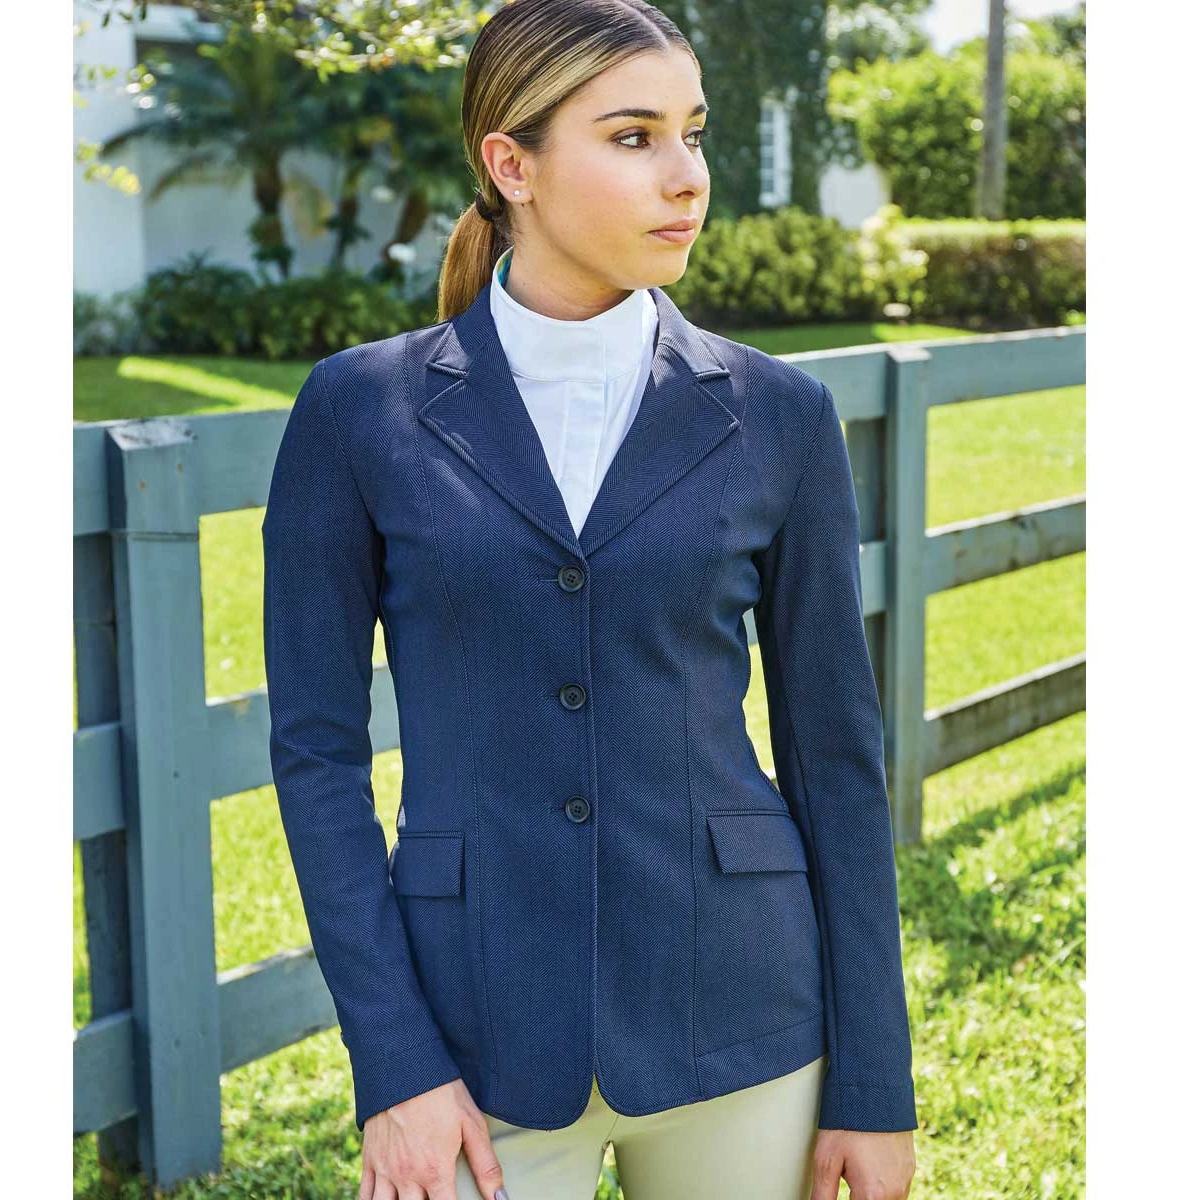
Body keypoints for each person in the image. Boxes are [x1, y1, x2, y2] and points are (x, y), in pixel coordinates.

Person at [261, 0, 919, 1197]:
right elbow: (315, 754)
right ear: (511, 166)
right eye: (633, 137)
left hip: (745, 1022)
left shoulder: (781, 416)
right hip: (471, 1041)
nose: (687, 176)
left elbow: (836, 757)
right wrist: (395, 1062)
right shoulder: (356, 412)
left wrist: (875, 1083)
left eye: (693, 132)